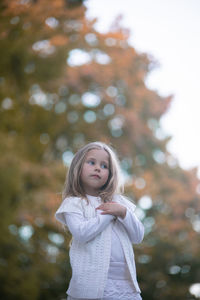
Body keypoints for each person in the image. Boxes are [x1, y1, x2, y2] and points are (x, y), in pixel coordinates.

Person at [55, 141, 144, 300]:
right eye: (91, 162)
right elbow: (82, 233)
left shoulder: (120, 203)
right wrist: (109, 213)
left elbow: (138, 236)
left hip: (125, 286)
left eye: (104, 166)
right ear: (78, 168)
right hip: (91, 285)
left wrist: (124, 213)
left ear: (110, 174)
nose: (98, 168)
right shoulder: (74, 203)